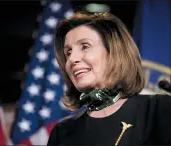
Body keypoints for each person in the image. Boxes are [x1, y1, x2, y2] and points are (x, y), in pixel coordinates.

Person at [47, 12, 171, 145]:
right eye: (68, 52)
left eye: (84, 46)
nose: (72, 59)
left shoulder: (158, 108)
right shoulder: (62, 132)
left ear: (114, 51)